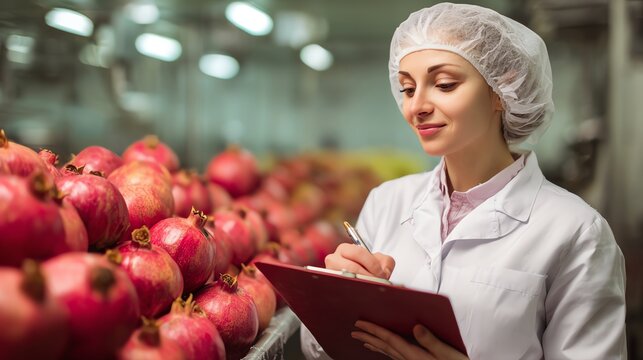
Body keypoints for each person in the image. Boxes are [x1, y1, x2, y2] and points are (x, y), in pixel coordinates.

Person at [301, 2, 627, 359]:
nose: (417, 106)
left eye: (444, 84)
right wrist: (335, 295)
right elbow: (321, 349)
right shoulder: (387, 202)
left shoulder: (577, 232)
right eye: (408, 89)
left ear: (502, 89)